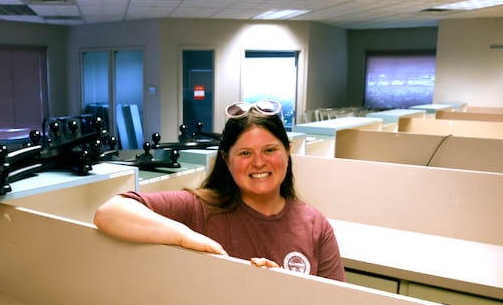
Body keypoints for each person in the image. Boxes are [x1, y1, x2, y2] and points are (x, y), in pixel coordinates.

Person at [93, 100, 345, 281]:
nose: (259, 162)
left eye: (270, 150)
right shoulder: (200, 208)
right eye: (245, 153)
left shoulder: (314, 225)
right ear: (226, 158)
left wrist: (282, 288)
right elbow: (110, 212)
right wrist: (185, 236)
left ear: (288, 151)